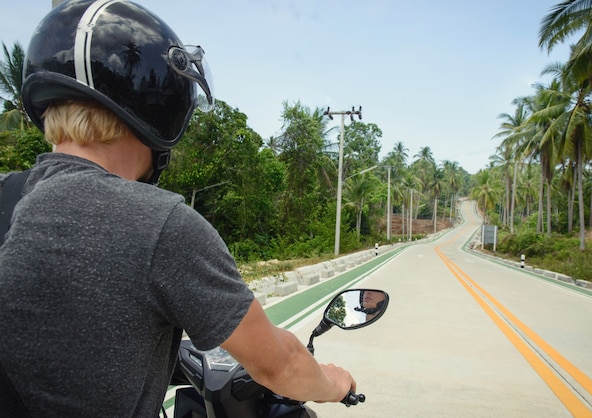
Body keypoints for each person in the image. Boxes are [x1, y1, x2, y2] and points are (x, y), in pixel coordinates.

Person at [0, 1, 354, 416]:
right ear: (159, 106)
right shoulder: (161, 223)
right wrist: (333, 382)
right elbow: (280, 363)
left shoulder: (8, 196)